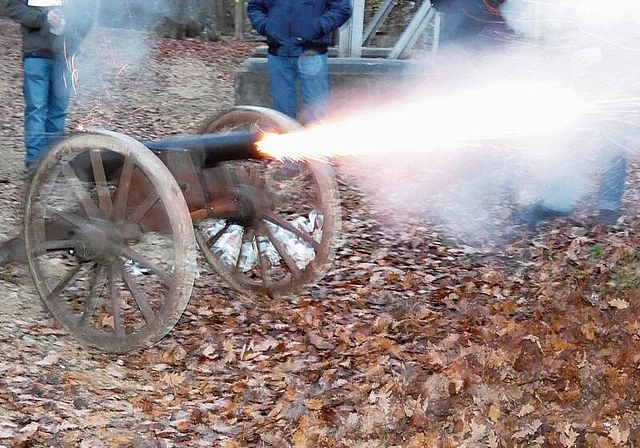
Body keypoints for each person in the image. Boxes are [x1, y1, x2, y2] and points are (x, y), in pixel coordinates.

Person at [6, 0, 96, 172]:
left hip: (66, 54)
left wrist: (69, 26)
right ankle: (35, 162)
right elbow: (13, 7)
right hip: (36, 55)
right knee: (36, 109)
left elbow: (88, 14)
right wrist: (43, 19)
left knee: (58, 109)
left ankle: (52, 160)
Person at [247, 0, 352, 124]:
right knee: (281, 115)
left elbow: (343, 9)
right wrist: (266, 26)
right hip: (278, 53)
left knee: (317, 112)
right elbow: (255, 6)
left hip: (312, 54)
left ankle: (316, 142)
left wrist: (319, 26)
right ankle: (285, 141)